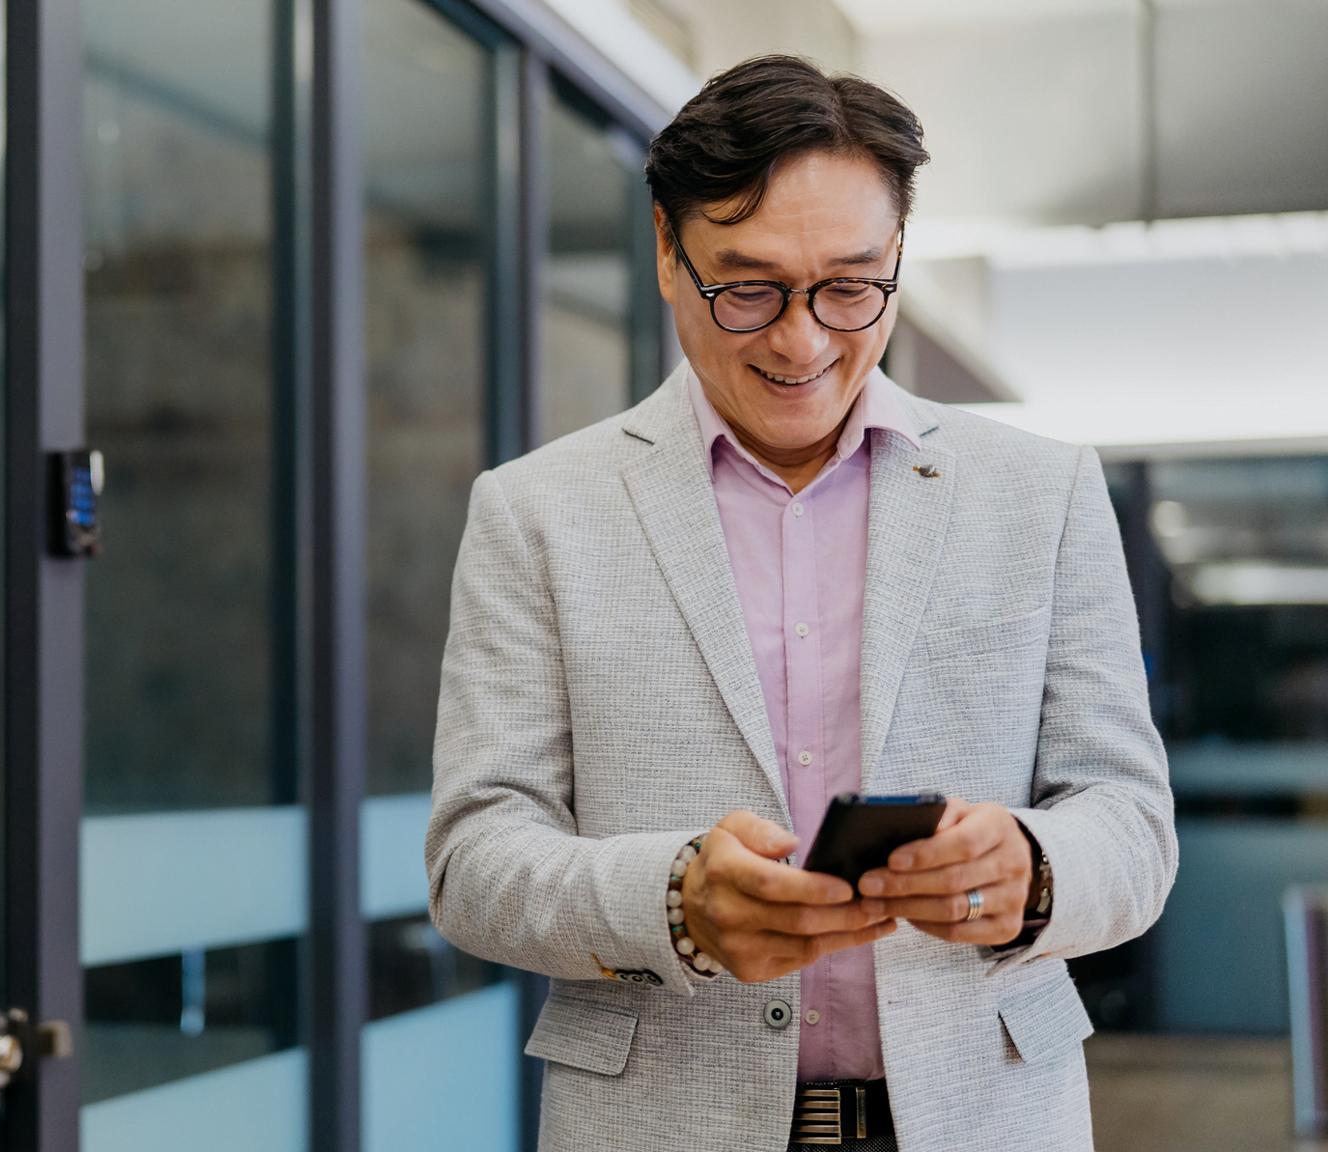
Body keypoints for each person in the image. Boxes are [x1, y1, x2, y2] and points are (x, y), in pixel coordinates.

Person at [425, 55, 1175, 1151]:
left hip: (983, 1117)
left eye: (847, 287)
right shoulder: (535, 513)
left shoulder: (1039, 494)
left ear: (896, 259)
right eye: (748, 287)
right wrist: (671, 898)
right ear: (665, 252)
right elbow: (473, 863)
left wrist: (1032, 869)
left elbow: (1131, 824)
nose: (800, 341)